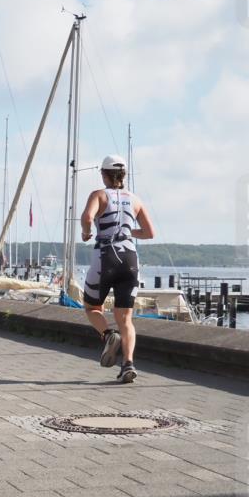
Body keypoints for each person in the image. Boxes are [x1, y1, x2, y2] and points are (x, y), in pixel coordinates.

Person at [80, 154, 156, 383]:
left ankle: (107, 335)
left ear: (104, 174)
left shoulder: (99, 195)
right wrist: (127, 231)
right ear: (123, 175)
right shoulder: (135, 199)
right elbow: (149, 233)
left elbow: (87, 217)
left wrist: (86, 232)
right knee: (126, 319)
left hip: (106, 257)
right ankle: (128, 364)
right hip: (130, 260)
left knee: (92, 307)